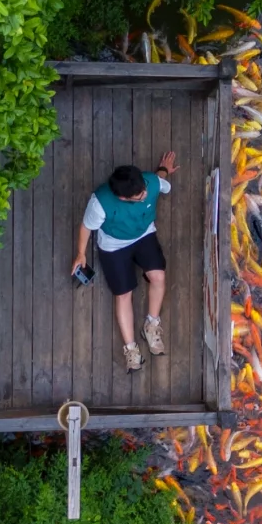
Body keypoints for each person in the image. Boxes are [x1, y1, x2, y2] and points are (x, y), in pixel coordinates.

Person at [72, 151, 178, 371]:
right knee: (124, 294)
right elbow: (86, 227)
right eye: (139, 196)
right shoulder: (99, 203)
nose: (145, 194)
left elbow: (160, 181)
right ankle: (131, 349)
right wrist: (81, 254)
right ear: (122, 197)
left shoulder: (151, 184)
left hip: (144, 235)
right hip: (113, 245)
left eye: (144, 189)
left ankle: (152, 324)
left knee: (158, 276)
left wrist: (164, 170)